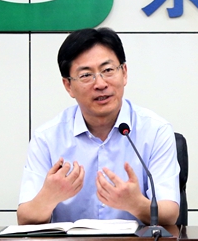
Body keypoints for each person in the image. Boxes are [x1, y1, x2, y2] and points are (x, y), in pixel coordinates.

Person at [17, 27, 180, 225]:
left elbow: (170, 214)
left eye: (108, 70)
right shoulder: (47, 138)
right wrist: (48, 198)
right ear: (68, 86)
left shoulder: (155, 131)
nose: (100, 84)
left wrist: (136, 204)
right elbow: (25, 217)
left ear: (124, 73)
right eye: (86, 75)